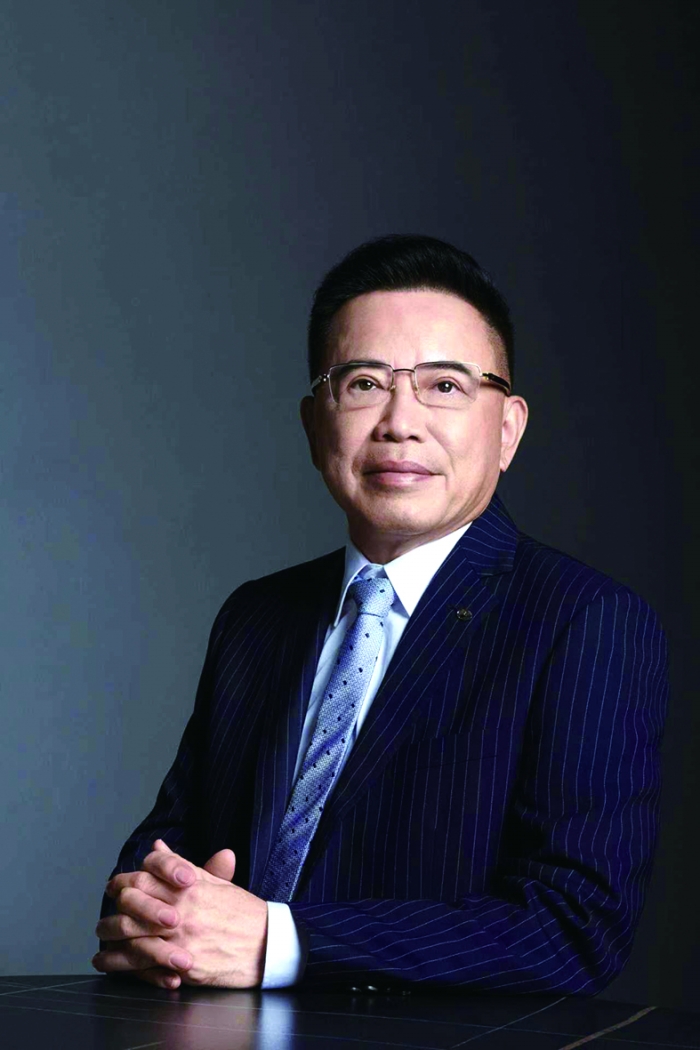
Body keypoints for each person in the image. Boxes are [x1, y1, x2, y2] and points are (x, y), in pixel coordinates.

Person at [94, 234, 668, 995]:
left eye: (445, 386)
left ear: (507, 429)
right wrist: (151, 913)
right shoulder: (256, 617)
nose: (400, 422)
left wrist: (279, 942)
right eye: (364, 383)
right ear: (314, 425)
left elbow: (574, 929)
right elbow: (161, 857)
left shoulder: (586, 622)